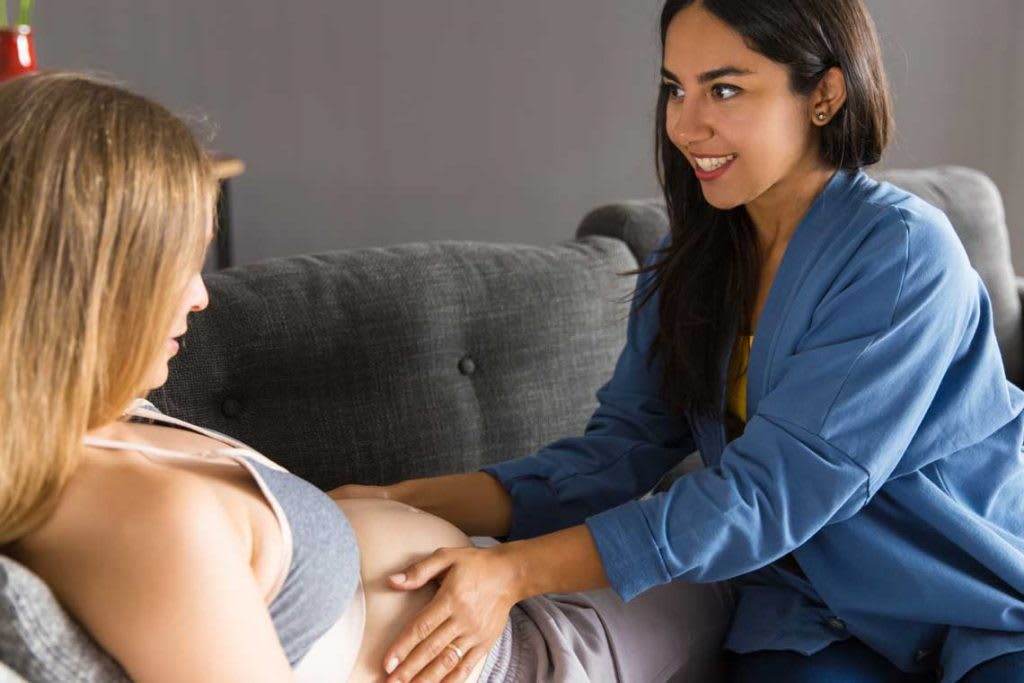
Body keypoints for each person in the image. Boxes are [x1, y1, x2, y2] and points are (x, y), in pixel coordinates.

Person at [334, 1, 1024, 682]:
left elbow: (767, 496)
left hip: (975, 596)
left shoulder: (902, 255)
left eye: (724, 88)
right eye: (674, 88)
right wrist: (395, 500)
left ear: (824, 94)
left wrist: (509, 573)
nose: (686, 125)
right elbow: (613, 456)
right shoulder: (691, 260)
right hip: (811, 615)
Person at [0, 72, 733, 683]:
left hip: (501, 597)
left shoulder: (94, 418)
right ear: (85, 283)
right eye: (173, 266)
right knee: (753, 565)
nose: (199, 295)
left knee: (737, 519)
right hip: (528, 657)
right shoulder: (145, 523)